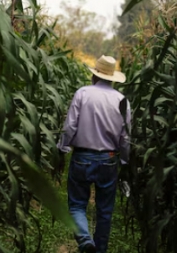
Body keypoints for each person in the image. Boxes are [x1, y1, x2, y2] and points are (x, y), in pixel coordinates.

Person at [56, 55, 131, 253]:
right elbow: (125, 137)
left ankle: (84, 241)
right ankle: (99, 250)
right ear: (113, 78)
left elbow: (70, 126)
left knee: (77, 206)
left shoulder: (83, 93)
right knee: (105, 211)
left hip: (82, 158)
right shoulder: (122, 100)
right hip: (109, 159)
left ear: (95, 76)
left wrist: (62, 149)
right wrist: (124, 160)